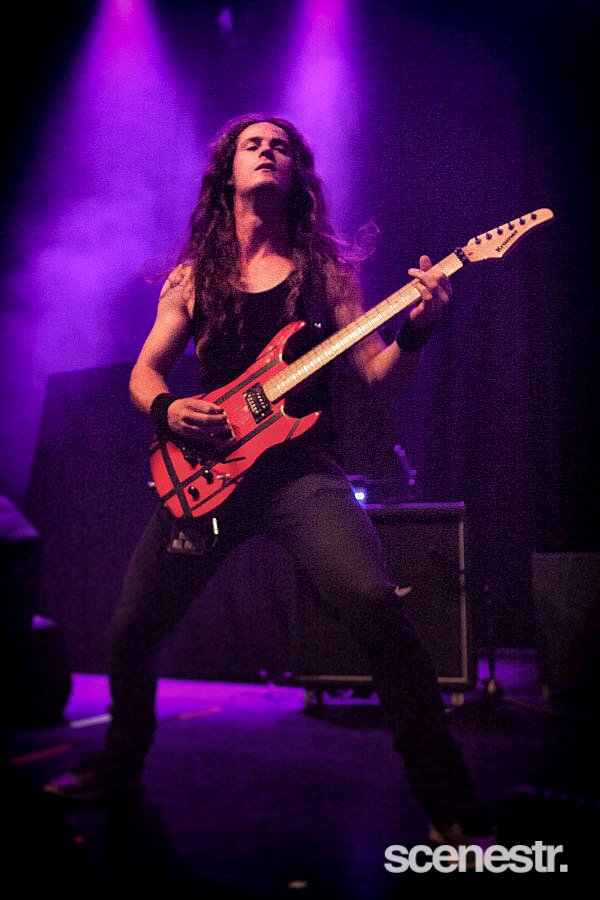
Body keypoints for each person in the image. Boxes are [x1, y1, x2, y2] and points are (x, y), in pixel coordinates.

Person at [44, 114, 493, 847]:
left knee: (373, 603)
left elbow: (379, 377)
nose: (267, 151)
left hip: (297, 474)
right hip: (207, 477)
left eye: (280, 146)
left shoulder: (326, 275)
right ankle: (117, 767)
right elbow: (144, 372)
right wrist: (167, 408)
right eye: (252, 144)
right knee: (133, 628)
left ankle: (452, 808)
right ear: (228, 172)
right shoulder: (195, 278)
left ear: (295, 176)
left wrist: (417, 327)